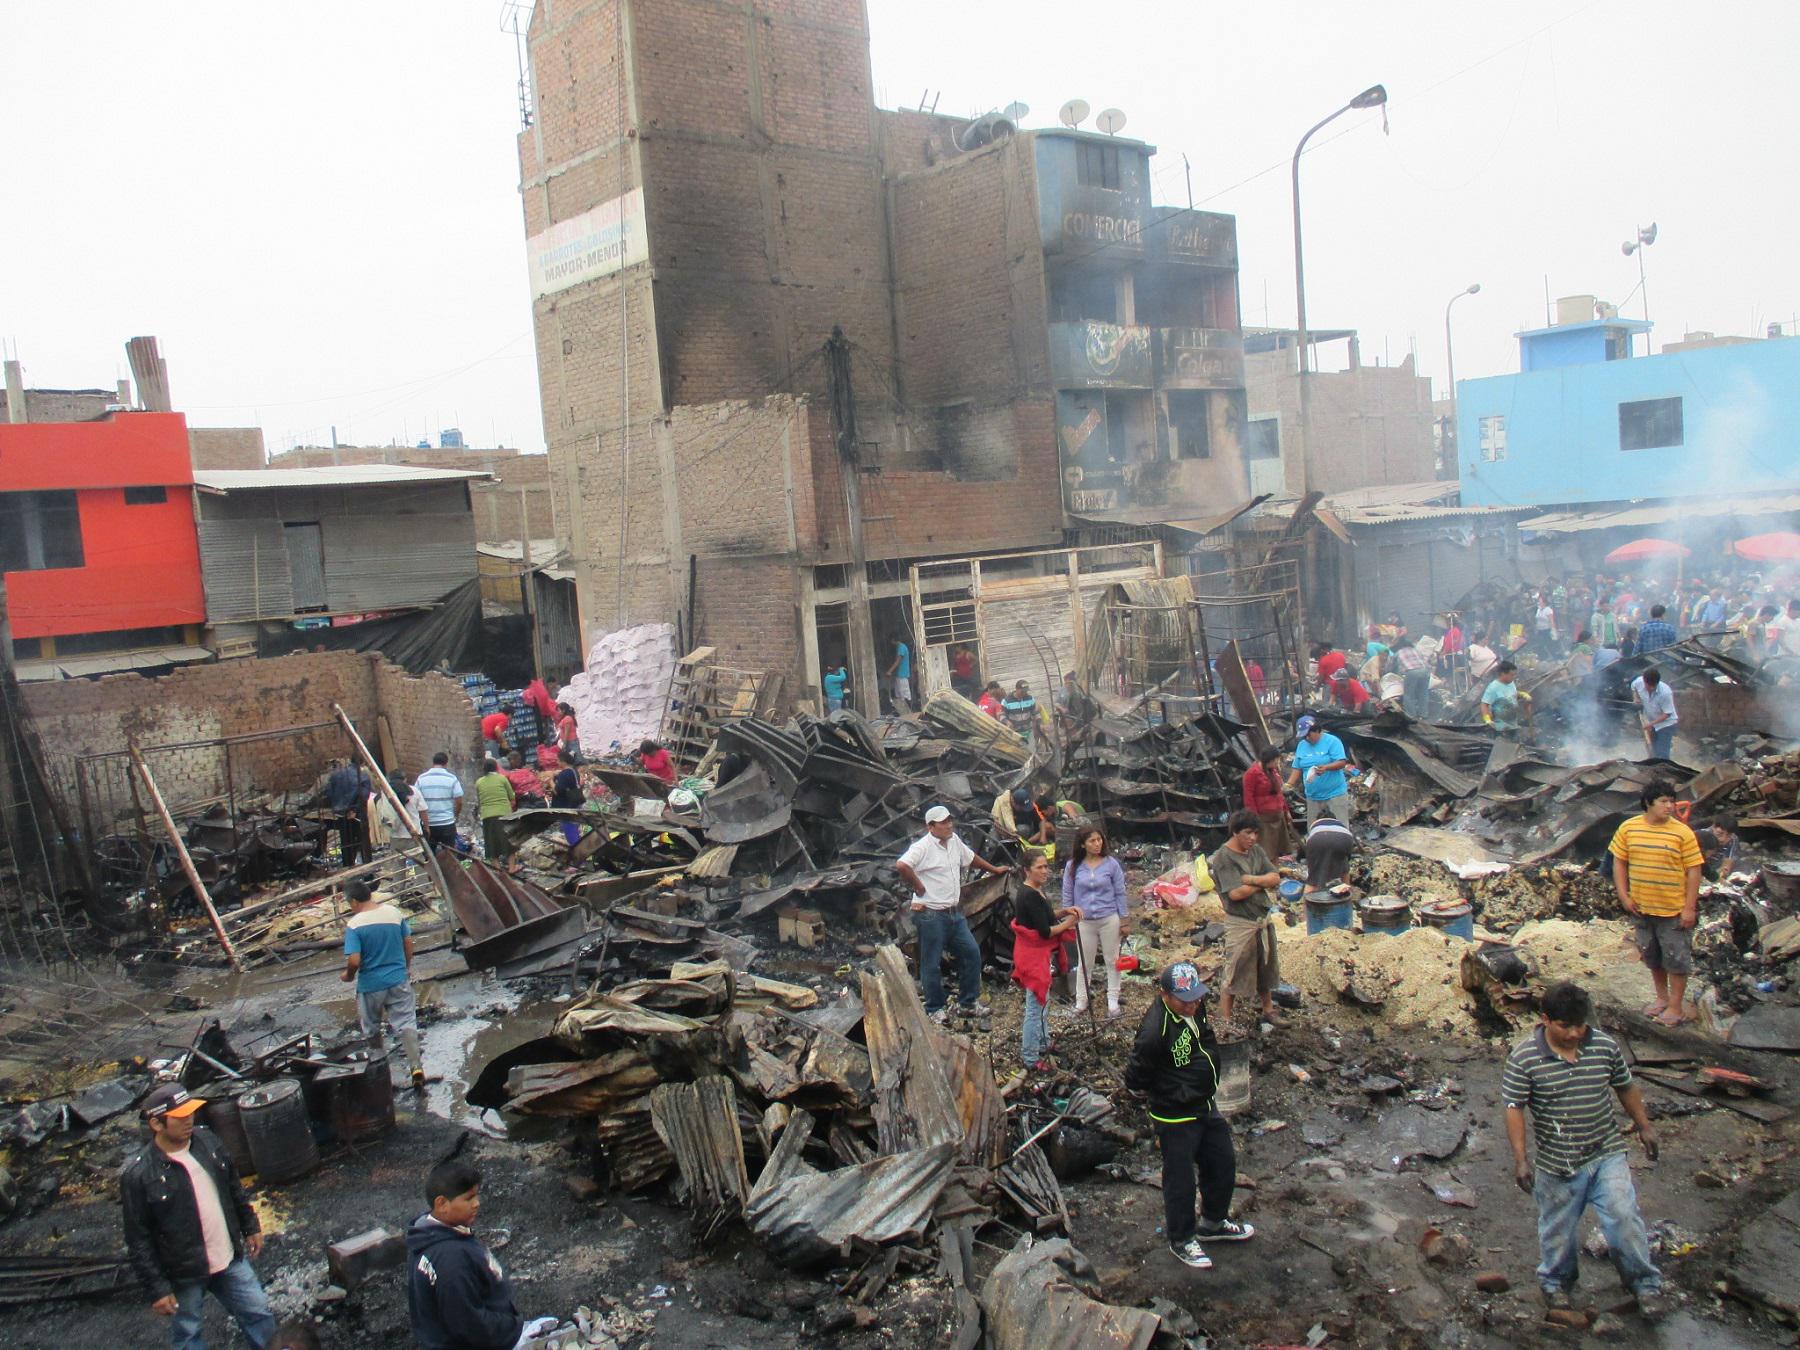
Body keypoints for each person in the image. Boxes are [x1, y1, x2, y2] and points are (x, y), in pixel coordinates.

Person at [1503, 981, 1666, 1319]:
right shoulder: (1524, 1058)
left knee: (1624, 1217)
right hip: (1557, 1163)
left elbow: (1625, 1086)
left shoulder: (1604, 1046)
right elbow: (1514, 1108)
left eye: (1581, 1025)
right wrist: (1521, 1159)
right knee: (1558, 1231)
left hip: (1606, 1152)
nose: (1576, 1033)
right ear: (1546, 1020)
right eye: (1566, 1026)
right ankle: (1557, 1284)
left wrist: (1644, 1126)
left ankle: (1644, 1285)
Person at [120, 1084, 275, 1350]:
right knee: (189, 1334)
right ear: (157, 1124)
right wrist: (158, 1288)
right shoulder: (139, 1175)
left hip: (228, 1260)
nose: (188, 1121)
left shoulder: (207, 1141)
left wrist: (250, 1225)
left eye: (190, 1114)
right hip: (184, 1273)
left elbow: (232, 1187)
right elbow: (139, 1239)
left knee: (259, 1314)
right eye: (179, 1117)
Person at [1124, 962, 1253, 1270]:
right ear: (1165, 995)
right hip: (1175, 1115)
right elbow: (1135, 1077)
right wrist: (1170, 1092)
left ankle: (1213, 1222)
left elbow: (1205, 1040)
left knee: (1222, 1161)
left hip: (1205, 1103)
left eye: (1196, 997)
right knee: (1180, 1178)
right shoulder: (1155, 1031)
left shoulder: (1196, 1007)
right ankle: (1181, 1238)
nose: (1193, 1003)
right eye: (1185, 1000)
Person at [408, 1158, 552, 1350]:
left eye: (477, 1196)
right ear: (442, 1204)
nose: (477, 1204)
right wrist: (515, 1331)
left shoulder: (426, 1235)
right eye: (468, 1198)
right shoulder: (451, 1259)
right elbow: (470, 1325)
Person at [895, 806, 1013, 1024]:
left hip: (953, 913)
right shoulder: (922, 847)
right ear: (930, 827)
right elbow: (902, 865)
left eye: (950, 821)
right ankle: (935, 1008)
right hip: (931, 913)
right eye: (943, 822)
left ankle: (968, 1003)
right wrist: (918, 886)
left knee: (971, 954)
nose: (949, 825)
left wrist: (994, 870)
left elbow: (971, 858)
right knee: (931, 962)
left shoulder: (954, 841)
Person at [1610, 779, 1702, 1027]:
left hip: (1672, 909)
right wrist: (1624, 895)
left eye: (1672, 801)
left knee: (1676, 959)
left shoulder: (1682, 832)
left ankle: (1675, 1006)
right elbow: (1619, 861)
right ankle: (1662, 998)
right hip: (1641, 907)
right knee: (1652, 956)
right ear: (1648, 804)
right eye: (1664, 801)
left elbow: (1694, 870)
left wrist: (1689, 907)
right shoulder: (1629, 829)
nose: (1670, 806)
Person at [340, 880, 425, 1089]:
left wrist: (348, 975)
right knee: (406, 1022)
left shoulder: (355, 924)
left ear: (353, 902)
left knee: (371, 1027)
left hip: (371, 986)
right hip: (398, 980)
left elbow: (354, 960)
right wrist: (405, 967)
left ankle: (379, 1068)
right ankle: (416, 1066)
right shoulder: (394, 914)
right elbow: (408, 944)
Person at [1208, 811, 1283, 1028]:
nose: (1253, 838)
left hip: (1261, 917)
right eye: (1248, 833)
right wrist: (1263, 882)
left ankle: (1268, 1009)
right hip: (1240, 922)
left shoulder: (1255, 851)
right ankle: (1225, 1020)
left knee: (1265, 967)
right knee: (1234, 969)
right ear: (1236, 832)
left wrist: (1251, 879)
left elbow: (1275, 877)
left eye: (1256, 833)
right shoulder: (1224, 858)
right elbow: (1235, 894)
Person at [1010, 852, 1079, 1071]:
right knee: (1035, 1006)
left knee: (1043, 1002)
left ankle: (1043, 1042)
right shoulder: (1028, 895)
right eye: (1039, 867)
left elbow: (1045, 915)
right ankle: (1030, 1056)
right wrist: (1069, 922)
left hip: (1036, 953)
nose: (1045, 871)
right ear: (1027, 870)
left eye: (1046, 866)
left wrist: (1064, 912)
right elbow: (1045, 930)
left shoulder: (1036, 891)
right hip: (1032, 955)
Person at [1063, 825, 1130, 1020]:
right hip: (1084, 921)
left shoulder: (1111, 864)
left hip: (1109, 918)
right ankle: (1081, 1001)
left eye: (1099, 840)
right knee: (1085, 962)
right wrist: (1069, 916)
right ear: (1083, 844)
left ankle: (1113, 1001)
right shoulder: (1073, 866)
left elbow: (1120, 892)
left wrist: (1124, 920)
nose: (1097, 844)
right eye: (1092, 841)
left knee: (1113, 960)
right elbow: (1067, 892)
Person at [1288, 715, 1353, 825]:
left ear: (1318, 730)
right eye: (1304, 736)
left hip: (1334, 794)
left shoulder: (1332, 741)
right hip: (1313, 796)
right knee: (1314, 828)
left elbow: (1341, 762)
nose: (1307, 738)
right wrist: (1289, 784)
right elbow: (1297, 767)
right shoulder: (1302, 746)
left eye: (1309, 735)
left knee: (1339, 827)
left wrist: (1327, 767)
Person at [1240, 746, 1292, 861]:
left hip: (1277, 817)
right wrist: (1254, 819)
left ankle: (1275, 872)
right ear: (1271, 760)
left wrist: (1286, 810)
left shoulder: (1273, 771)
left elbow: (1279, 793)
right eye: (1277, 760)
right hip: (1264, 820)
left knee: (1277, 851)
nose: (1278, 763)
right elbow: (1249, 798)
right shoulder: (1252, 774)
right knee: (1266, 851)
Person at [324, 758, 372, 868]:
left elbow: (328, 792)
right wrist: (354, 810)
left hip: (340, 814)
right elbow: (364, 796)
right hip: (356, 815)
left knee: (345, 841)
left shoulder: (336, 775)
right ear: (362, 763)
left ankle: (348, 866)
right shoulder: (362, 776)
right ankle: (367, 868)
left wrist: (337, 806)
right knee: (362, 840)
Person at [416, 752, 464, 850]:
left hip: (428, 824)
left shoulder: (421, 779)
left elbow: (416, 799)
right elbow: (459, 801)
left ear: (433, 763)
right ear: (446, 764)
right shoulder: (452, 778)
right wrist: (455, 815)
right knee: (450, 855)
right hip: (447, 823)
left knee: (429, 856)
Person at [474, 759, 517, 870]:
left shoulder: (479, 782)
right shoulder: (502, 779)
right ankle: (512, 867)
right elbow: (512, 797)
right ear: (497, 768)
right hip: (504, 814)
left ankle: (498, 869)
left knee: (491, 843)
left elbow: (480, 800)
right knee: (509, 841)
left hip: (487, 815)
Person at [1630, 668, 1679, 759]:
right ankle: (1653, 768)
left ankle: (1663, 770)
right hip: (1652, 721)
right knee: (1653, 748)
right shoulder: (1638, 682)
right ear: (1644, 681)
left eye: (1654, 685)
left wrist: (1649, 724)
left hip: (1666, 724)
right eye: (1649, 685)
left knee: (1662, 753)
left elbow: (1667, 714)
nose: (1652, 688)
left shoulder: (1665, 693)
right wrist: (1635, 698)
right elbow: (1633, 687)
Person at [1303, 814, 1357, 893]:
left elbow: (1311, 856)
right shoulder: (1340, 825)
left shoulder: (1315, 826)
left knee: (1314, 877)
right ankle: (1347, 895)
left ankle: (1307, 902)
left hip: (1317, 839)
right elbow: (1348, 856)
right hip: (1345, 838)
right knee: (1344, 864)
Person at [1480, 660, 1531, 735]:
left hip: (1512, 721)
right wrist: (1487, 719)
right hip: (1500, 725)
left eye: (1515, 675)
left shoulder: (1511, 683)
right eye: (1512, 675)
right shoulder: (1493, 687)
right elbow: (1484, 704)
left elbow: (1512, 694)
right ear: (1503, 674)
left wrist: (1522, 694)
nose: (1514, 677)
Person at [551, 748, 585, 847]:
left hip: (567, 807)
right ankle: (580, 848)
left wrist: (550, 782)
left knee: (570, 831)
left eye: (558, 760)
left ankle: (578, 852)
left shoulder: (564, 774)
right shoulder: (573, 771)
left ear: (563, 762)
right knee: (575, 829)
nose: (557, 762)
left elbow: (557, 790)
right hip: (575, 803)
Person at [1392, 635, 1432, 718]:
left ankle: (1411, 716)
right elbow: (1425, 660)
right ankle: (1424, 714)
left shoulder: (1398, 652)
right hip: (1425, 670)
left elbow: (1391, 665)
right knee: (1423, 693)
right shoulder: (1416, 650)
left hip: (1411, 672)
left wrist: (1387, 672)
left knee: (1409, 695)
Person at [886, 638, 913, 712]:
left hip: (902, 675)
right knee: (898, 694)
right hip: (899, 675)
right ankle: (902, 712)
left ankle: (909, 711)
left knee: (905, 695)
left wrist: (889, 671)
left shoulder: (901, 647)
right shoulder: (899, 647)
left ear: (893, 640)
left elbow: (897, 662)